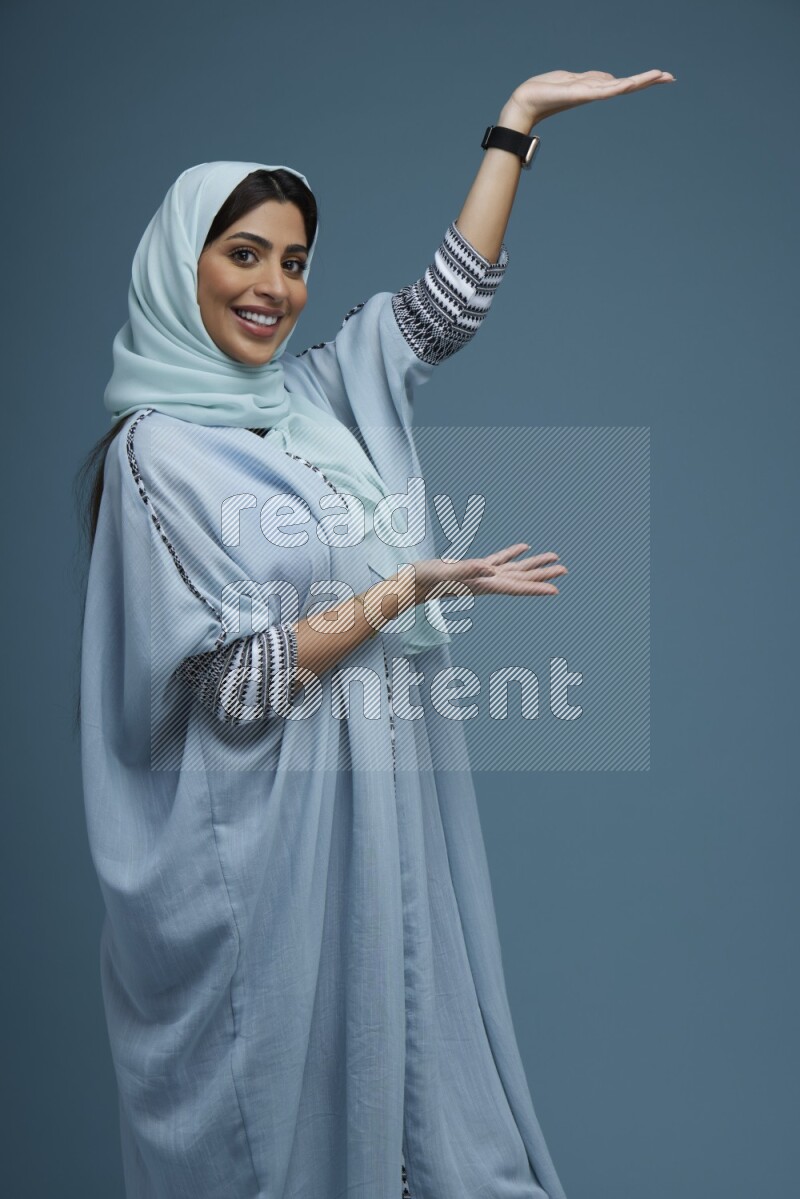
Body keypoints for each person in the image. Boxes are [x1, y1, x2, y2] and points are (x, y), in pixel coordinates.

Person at [77, 68, 674, 1199]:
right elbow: (236, 687)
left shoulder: (315, 398)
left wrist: (515, 127)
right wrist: (398, 593)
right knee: (296, 1138)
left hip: (380, 815)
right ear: (179, 266)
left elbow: (438, 311)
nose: (274, 286)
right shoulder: (159, 452)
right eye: (243, 252)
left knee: (425, 1120)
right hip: (260, 864)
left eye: (294, 260)